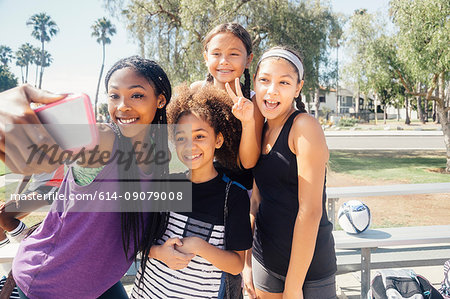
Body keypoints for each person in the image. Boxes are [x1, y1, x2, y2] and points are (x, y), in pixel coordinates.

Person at [0, 56, 179, 298]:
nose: (122, 106)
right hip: (50, 282)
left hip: (101, 279)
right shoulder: (102, 141)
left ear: (160, 100)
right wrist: (5, 113)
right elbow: (52, 133)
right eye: (114, 96)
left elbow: (129, 229)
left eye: (136, 95)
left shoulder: (163, 154)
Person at [232, 46, 337, 299]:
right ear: (255, 83)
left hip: (310, 269)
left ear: (298, 88)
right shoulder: (261, 128)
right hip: (266, 262)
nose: (272, 90)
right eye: (264, 80)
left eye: (284, 82)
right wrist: (247, 265)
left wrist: (293, 286)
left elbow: (310, 211)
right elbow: (255, 201)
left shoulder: (304, 127)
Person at [130, 85, 252, 299]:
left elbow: (236, 265)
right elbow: (137, 239)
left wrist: (198, 245)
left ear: (218, 140)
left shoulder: (233, 196)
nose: (190, 146)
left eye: (199, 136)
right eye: (181, 138)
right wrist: (159, 252)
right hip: (148, 293)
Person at [191, 22, 263, 189]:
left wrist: (247, 121)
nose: (224, 61)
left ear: (248, 60)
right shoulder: (195, 90)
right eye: (216, 53)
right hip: (198, 187)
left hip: (235, 192)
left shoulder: (254, 103)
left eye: (234, 54)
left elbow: (248, 162)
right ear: (206, 57)